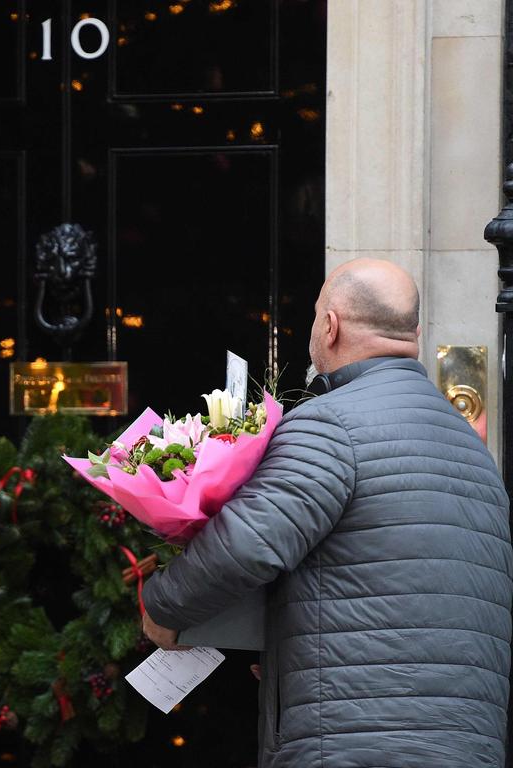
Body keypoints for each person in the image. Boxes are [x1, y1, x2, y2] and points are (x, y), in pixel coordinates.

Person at [141, 257, 513, 767]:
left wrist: (164, 608)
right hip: (469, 746)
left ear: (330, 326)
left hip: (348, 742)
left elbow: (247, 546)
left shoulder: (330, 424)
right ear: (416, 335)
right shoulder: (474, 453)